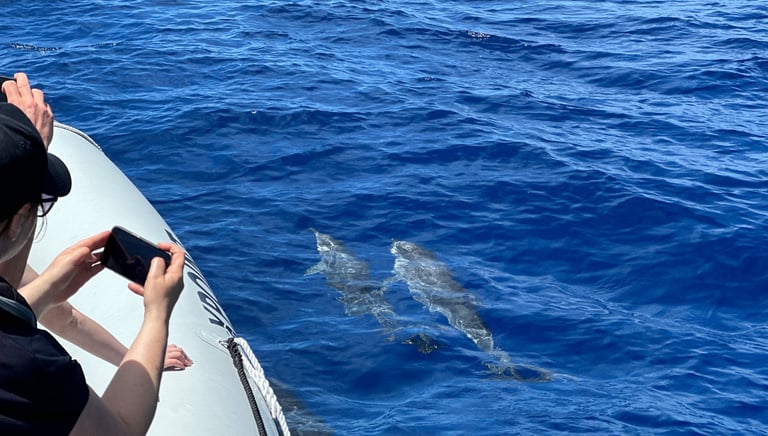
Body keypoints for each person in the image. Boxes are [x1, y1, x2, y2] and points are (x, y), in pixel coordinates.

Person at [0, 72, 187, 435]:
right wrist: (157, 314)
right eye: (42, 203)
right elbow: (122, 429)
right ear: (17, 222)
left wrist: (49, 288)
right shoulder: (26, 364)